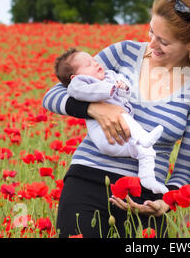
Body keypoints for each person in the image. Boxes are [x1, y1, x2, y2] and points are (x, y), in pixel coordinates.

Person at [42, 0, 190, 238]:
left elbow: (186, 166)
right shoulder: (124, 53)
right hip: (88, 180)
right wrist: (95, 109)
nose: (151, 45)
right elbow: (53, 95)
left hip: (145, 198)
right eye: (151, 31)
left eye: (163, 41)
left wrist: (165, 202)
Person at [53, 48, 167, 194]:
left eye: (94, 60)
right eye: (88, 64)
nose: (95, 63)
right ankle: (144, 137)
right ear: (75, 76)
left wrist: (123, 87)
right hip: (106, 137)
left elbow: (125, 89)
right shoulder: (80, 83)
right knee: (121, 115)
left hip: (123, 138)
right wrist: (110, 89)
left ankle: (148, 178)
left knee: (146, 152)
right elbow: (83, 92)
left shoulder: (109, 75)